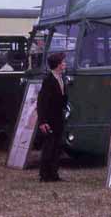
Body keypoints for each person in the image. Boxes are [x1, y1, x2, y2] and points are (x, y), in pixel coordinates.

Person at [37, 53, 68, 182]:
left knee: (57, 147)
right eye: (63, 62)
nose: (65, 64)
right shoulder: (48, 80)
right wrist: (42, 121)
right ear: (58, 64)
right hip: (49, 119)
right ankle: (44, 175)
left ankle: (54, 174)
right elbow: (42, 102)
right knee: (49, 147)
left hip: (59, 117)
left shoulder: (61, 78)